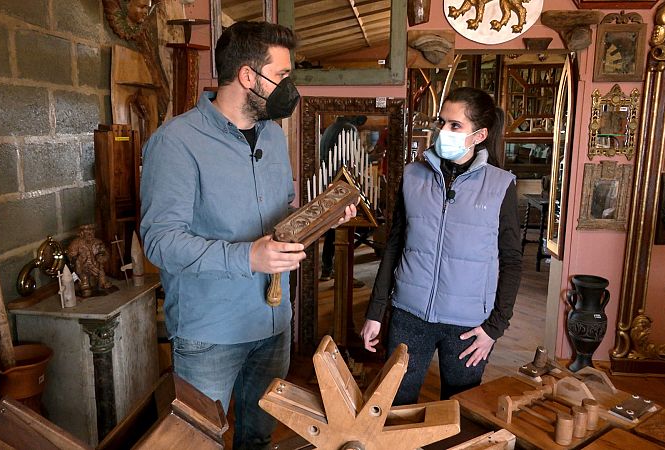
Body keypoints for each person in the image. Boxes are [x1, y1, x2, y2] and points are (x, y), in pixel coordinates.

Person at [139, 21, 354, 449]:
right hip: (209, 333)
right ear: (248, 77)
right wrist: (247, 258)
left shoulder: (273, 136)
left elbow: (281, 217)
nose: (289, 88)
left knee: (257, 436)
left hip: (272, 321)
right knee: (198, 440)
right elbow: (160, 241)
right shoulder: (176, 142)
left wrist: (323, 216)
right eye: (283, 76)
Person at [360, 87, 522, 405]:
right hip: (409, 315)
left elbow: (512, 261)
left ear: (480, 135)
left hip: (467, 325)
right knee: (395, 406)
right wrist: (376, 312)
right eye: (441, 122)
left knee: (460, 413)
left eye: (454, 125)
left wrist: (494, 328)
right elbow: (393, 247)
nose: (442, 131)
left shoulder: (501, 185)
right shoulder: (412, 176)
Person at [318, 115, 367, 283]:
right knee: (343, 229)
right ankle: (343, 274)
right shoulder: (349, 129)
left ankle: (327, 268)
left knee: (333, 229)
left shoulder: (330, 128)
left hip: (327, 180)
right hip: (341, 182)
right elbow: (352, 159)